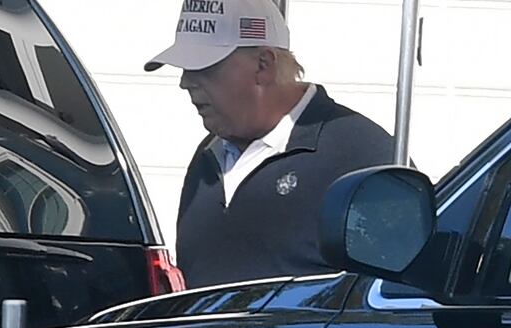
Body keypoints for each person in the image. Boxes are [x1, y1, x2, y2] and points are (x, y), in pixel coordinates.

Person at [145, 0, 395, 289]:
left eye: (204, 67)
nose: (185, 82)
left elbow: (398, 297)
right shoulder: (208, 157)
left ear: (264, 65)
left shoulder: (362, 156)